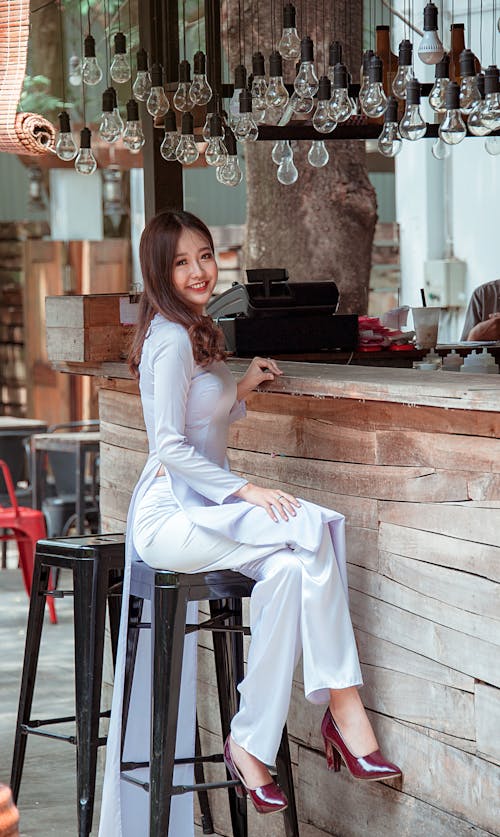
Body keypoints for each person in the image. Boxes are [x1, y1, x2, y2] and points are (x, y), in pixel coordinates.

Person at [99, 210, 401, 836]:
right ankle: (344, 709)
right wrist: (247, 489)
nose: (199, 270)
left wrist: (241, 391)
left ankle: (250, 746)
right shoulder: (169, 339)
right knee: (310, 523)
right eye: (181, 262)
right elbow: (168, 447)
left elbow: (199, 420)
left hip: (205, 508)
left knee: (291, 568)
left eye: (205, 255)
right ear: (159, 271)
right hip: (170, 515)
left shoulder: (193, 329)